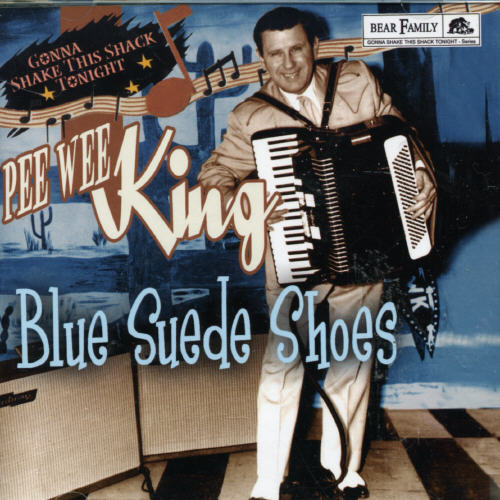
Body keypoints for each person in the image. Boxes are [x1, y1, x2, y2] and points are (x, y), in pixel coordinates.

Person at [198, 7, 436, 500]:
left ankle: (344, 472)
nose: (288, 65)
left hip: (366, 252)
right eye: (275, 54)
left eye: (297, 49)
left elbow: (403, 136)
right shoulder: (250, 116)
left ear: (314, 47)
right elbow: (215, 176)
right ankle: (268, 483)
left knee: (353, 359)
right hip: (294, 256)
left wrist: (420, 174)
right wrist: (248, 203)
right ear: (261, 58)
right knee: (284, 363)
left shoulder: (356, 81)